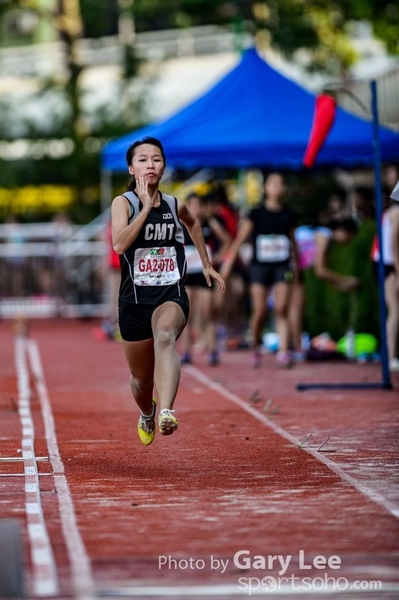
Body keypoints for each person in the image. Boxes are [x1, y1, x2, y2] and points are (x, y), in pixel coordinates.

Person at [111, 137, 225, 446]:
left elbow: (195, 226)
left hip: (170, 294)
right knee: (140, 381)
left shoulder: (176, 204)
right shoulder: (124, 203)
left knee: (165, 338)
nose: (151, 164)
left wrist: (206, 264)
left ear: (164, 167)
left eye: (157, 159)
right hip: (133, 301)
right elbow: (119, 244)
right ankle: (147, 411)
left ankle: (166, 412)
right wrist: (146, 208)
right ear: (132, 168)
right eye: (144, 159)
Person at [220, 172, 298, 368]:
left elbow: (292, 240)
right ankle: (255, 347)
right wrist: (228, 263)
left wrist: (296, 264)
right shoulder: (256, 213)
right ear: (266, 188)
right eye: (273, 183)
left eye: (281, 184)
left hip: (282, 265)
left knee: (281, 308)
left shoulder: (288, 214)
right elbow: (239, 240)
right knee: (260, 310)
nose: (277, 187)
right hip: (259, 267)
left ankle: (283, 351)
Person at [179, 192, 231, 366]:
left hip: (204, 276)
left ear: (202, 207)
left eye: (198, 205)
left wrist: (215, 257)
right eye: (191, 205)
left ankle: (213, 349)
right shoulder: (181, 224)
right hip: (187, 275)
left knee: (208, 312)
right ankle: (186, 351)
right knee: (188, 315)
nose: (195, 208)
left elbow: (227, 239)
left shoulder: (209, 223)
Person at [371, 187, 399, 371]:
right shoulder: (396, 213)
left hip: (385, 262)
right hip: (388, 264)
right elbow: (394, 245)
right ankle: (390, 356)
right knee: (395, 309)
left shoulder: (392, 211)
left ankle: (391, 354)